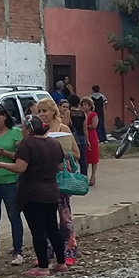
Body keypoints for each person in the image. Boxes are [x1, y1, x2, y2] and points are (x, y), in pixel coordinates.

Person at [0, 115, 67, 277]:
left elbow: (20, 168)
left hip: (32, 193)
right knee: (52, 227)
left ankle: (43, 267)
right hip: (52, 191)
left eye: (24, 128)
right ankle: (61, 262)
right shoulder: (54, 143)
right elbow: (60, 166)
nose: (22, 131)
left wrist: (1, 164)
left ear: (29, 129)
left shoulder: (28, 144)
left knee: (38, 230)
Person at [36, 98, 80, 266]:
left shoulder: (63, 129)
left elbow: (77, 154)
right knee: (46, 216)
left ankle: (69, 249)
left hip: (61, 177)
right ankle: (48, 250)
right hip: (44, 177)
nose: (42, 115)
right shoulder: (40, 131)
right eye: (39, 112)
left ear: (53, 111)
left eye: (44, 111)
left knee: (64, 214)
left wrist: (62, 151)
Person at [0, 104, 24, 266]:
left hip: (10, 179)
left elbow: (21, 156)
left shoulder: (15, 133)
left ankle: (18, 251)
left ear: (4, 117)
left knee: (13, 215)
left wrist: (4, 153)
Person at [80, 97, 100, 186]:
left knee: (94, 157)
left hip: (92, 136)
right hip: (84, 136)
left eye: (85, 105)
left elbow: (94, 125)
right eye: (82, 105)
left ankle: (93, 175)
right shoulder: (81, 114)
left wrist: (84, 127)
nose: (84, 106)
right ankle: (85, 175)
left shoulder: (93, 114)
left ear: (90, 106)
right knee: (85, 157)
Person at [68, 95, 88, 176]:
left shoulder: (68, 113)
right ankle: (84, 177)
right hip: (82, 137)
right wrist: (88, 140)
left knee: (71, 159)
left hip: (71, 138)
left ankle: (73, 178)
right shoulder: (83, 113)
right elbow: (85, 129)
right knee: (82, 159)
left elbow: (66, 125)